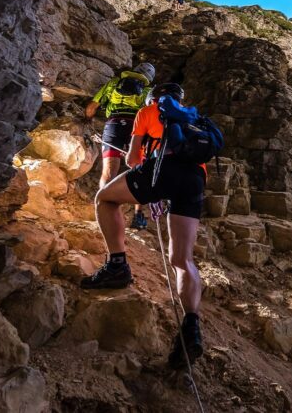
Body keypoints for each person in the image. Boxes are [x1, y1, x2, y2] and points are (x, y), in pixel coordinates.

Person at [81, 83, 207, 369]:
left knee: (105, 198)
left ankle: (117, 265)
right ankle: (191, 325)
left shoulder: (148, 111)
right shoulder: (195, 119)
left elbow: (134, 157)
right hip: (195, 179)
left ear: (156, 98)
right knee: (182, 259)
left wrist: (150, 188)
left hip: (163, 170)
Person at [85, 63, 155, 228]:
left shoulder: (114, 84)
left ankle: (102, 210)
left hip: (114, 125)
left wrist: (87, 120)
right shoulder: (147, 92)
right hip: (137, 129)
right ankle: (138, 216)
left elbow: (92, 107)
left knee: (109, 169)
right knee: (139, 169)